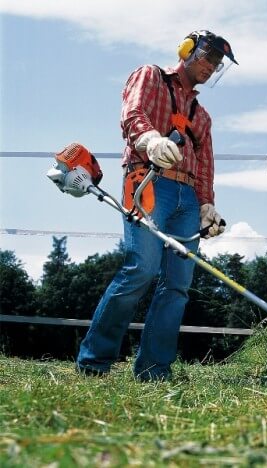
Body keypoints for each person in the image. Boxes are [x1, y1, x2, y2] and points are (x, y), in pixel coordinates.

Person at [76, 30, 238, 381]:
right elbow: (133, 112)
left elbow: (205, 163)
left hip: (187, 199)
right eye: (207, 57)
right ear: (187, 50)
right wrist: (150, 140)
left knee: (177, 285)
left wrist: (207, 205)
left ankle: (154, 370)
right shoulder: (150, 76)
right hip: (147, 183)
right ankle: (94, 361)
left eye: (217, 63)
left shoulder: (203, 117)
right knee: (141, 269)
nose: (212, 66)